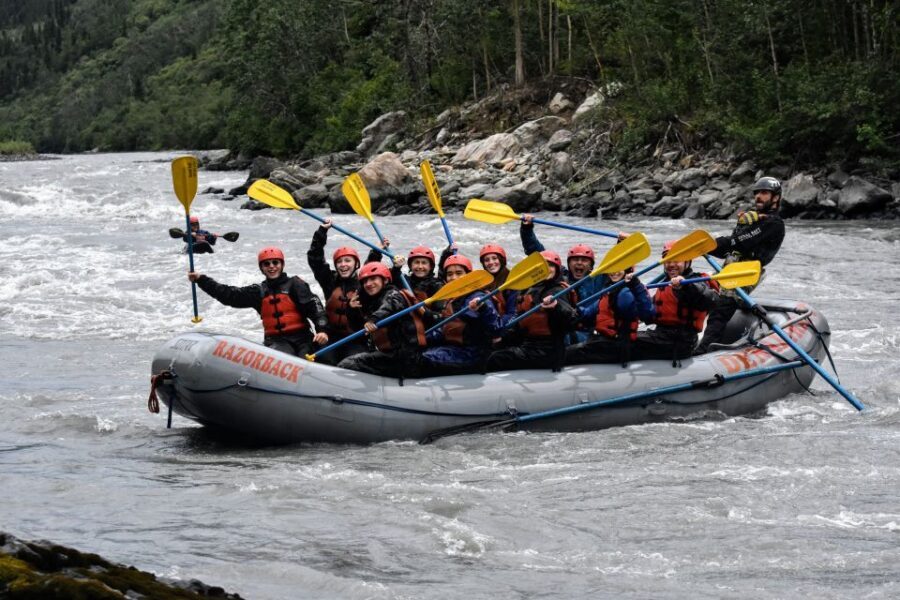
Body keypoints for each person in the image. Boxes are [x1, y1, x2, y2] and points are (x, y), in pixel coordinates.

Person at [695, 176, 786, 354]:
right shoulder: (754, 219)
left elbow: (738, 243)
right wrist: (705, 248)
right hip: (731, 268)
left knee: (721, 309)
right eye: (757, 193)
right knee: (704, 297)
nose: (758, 196)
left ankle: (703, 351)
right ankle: (692, 342)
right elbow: (729, 249)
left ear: (775, 197)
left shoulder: (773, 223)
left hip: (746, 272)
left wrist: (707, 245)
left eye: (764, 193)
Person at [188, 247, 329, 357]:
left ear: (282, 264)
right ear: (262, 268)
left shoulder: (296, 285)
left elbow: (316, 309)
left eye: (275, 262)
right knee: (282, 356)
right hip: (276, 341)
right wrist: (201, 280)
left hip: (303, 338)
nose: (271, 266)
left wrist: (322, 331)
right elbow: (229, 295)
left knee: (309, 357)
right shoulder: (258, 291)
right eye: (266, 264)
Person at [520, 215, 618, 343]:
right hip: (567, 326)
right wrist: (527, 229)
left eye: (584, 260)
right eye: (575, 260)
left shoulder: (599, 278)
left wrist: (621, 243)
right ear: (569, 263)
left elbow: (617, 263)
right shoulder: (561, 276)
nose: (579, 263)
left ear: (591, 266)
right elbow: (538, 254)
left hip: (589, 330)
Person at [486, 250, 579, 372]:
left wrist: (556, 306)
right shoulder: (531, 290)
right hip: (530, 343)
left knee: (496, 358)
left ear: (557, 270)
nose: (547, 269)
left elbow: (571, 318)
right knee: (490, 349)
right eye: (543, 266)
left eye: (551, 266)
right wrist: (502, 339)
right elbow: (520, 324)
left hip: (547, 350)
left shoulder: (556, 291)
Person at [306, 219, 384, 363]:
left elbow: (371, 267)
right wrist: (322, 232)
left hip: (356, 338)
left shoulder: (363, 283)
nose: (343, 265)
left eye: (348, 260)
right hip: (330, 337)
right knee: (324, 359)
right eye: (339, 262)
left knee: (352, 362)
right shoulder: (329, 281)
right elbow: (315, 259)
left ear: (356, 264)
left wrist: (377, 251)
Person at [629, 241, 719, 364]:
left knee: (623, 341)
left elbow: (711, 301)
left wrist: (685, 286)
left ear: (687, 262)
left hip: (679, 341)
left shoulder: (695, 281)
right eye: (668, 261)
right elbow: (648, 316)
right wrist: (636, 289)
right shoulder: (665, 284)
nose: (671, 264)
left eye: (676, 260)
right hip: (661, 336)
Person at [336, 262, 428, 379]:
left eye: (373, 279)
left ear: (385, 280)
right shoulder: (372, 302)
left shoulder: (394, 295)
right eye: (365, 281)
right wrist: (351, 310)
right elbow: (359, 330)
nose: (368, 284)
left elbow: (388, 307)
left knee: (347, 364)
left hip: (405, 358)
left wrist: (373, 320)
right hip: (390, 355)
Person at [421, 254, 501, 375]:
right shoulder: (452, 299)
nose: (454, 278)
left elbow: (496, 328)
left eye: (459, 273)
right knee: (414, 350)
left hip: (472, 354)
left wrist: (483, 308)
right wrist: (420, 339)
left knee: (420, 359)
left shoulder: (479, 297)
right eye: (450, 274)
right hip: (454, 348)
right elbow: (444, 329)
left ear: (468, 276)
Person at [565, 267, 654, 366]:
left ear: (628, 271)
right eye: (612, 268)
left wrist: (636, 287)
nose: (614, 272)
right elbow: (589, 312)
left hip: (616, 344)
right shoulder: (609, 290)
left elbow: (646, 314)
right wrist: (571, 308)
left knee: (564, 354)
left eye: (619, 268)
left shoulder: (627, 292)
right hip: (603, 339)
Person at [479, 243, 518, 328]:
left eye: (494, 258)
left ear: (501, 260)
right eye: (487, 260)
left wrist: (497, 326)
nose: (491, 262)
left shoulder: (512, 282)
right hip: (488, 323)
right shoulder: (481, 283)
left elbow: (512, 313)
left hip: (503, 325)